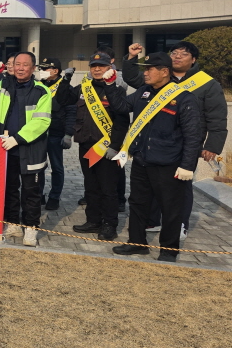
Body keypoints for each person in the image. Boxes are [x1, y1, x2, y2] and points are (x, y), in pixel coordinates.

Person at [123, 40, 227, 240]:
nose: (177, 56)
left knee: (181, 187)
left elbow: (216, 116)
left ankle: (180, 225)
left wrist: (212, 146)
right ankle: (153, 220)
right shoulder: (158, 78)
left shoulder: (207, 84)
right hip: (155, 144)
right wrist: (131, 58)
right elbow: (132, 78)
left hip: (186, 145)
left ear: (193, 60)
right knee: (152, 185)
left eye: (184, 54)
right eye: (174, 53)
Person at [112, 52, 205, 261]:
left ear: (164, 72)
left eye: (149, 69)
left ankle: (169, 250)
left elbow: (193, 136)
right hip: (142, 160)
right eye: (145, 69)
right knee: (137, 203)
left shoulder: (184, 98)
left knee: (170, 208)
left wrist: (187, 166)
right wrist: (110, 85)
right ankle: (137, 243)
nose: (145, 73)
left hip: (168, 164)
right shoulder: (143, 92)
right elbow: (121, 106)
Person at [0, 52, 52, 247]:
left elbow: (42, 121)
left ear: (33, 68)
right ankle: (13, 224)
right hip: (5, 147)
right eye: (17, 64)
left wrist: (17, 139)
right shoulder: (5, 84)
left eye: (25, 65)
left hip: (30, 148)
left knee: (31, 191)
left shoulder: (41, 91)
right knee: (10, 188)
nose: (20, 68)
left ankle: (31, 228)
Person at [63, 53, 129, 241]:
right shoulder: (84, 88)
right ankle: (93, 220)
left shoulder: (116, 90)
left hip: (107, 147)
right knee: (91, 186)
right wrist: (65, 80)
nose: (97, 69)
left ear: (110, 68)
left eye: (102, 66)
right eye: (94, 66)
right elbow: (63, 99)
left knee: (108, 189)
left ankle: (109, 225)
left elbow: (122, 122)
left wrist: (115, 146)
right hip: (86, 143)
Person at [35, 58, 78, 210]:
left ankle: (54, 197)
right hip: (39, 133)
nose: (42, 71)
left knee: (57, 167)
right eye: (41, 68)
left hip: (56, 133)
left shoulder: (66, 87)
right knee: (38, 167)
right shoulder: (38, 86)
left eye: (45, 69)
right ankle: (38, 195)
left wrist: (68, 134)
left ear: (55, 71)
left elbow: (71, 112)